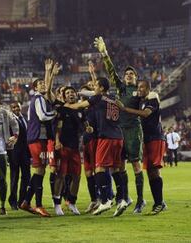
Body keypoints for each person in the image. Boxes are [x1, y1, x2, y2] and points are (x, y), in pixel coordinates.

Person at [94, 36, 145, 214]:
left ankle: (140, 200)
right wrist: (104, 53)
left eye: (132, 74)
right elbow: (111, 72)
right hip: (119, 132)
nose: (128, 76)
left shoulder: (140, 92)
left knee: (136, 165)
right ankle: (125, 197)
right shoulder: (121, 88)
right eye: (126, 74)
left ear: (136, 78)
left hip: (133, 131)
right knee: (119, 167)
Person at [64, 77, 128, 217]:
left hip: (106, 137)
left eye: (96, 86)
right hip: (119, 137)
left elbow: (78, 106)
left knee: (99, 168)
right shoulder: (113, 98)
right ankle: (122, 199)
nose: (94, 88)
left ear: (102, 88)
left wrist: (65, 105)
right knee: (116, 169)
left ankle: (105, 200)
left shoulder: (98, 98)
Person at [117, 81, 167, 215]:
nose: (139, 89)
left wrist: (125, 109)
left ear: (148, 89)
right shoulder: (141, 100)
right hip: (145, 139)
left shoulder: (152, 100)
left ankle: (159, 203)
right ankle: (160, 201)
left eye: (142, 87)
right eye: (138, 87)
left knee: (154, 170)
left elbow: (145, 114)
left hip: (155, 137)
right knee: (150, 171)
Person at [20, 59, 59, 217]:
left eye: (44, 83)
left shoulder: (38, 98)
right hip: (37, 139)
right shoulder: (39, 99)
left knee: (39, 172)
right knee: (40, 171)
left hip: (37, 138)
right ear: (35, 88)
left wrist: (49, 72)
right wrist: (55, 113)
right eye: (40, 84)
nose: (44, 85)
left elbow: (48, 89)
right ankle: (38, 205)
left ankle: (26, 202)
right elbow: (43, 116)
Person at [53, 86, 93, 216]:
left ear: (76, 95)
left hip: (75, 147)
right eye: (68, 93)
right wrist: (57, 141)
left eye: (72, 92)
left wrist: (88, 128)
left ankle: (72, 202)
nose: (70, 94)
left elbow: (85, 123)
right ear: (64, 96)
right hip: (64, 146)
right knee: (61, 175)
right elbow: (58, 128)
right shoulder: (62, 110)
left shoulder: (80, 110)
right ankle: (57, 204)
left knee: (77, 177)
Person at [7, 101, 31, 211]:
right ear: (10, 109)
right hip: (14, 152)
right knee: (14, 177)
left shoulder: (24, 118)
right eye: (14, 107)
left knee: (26, 176)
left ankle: (22, 200)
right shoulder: (9, 120)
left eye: (17, 106)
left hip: (25, 152)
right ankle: (12, 201)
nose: (16, 108)